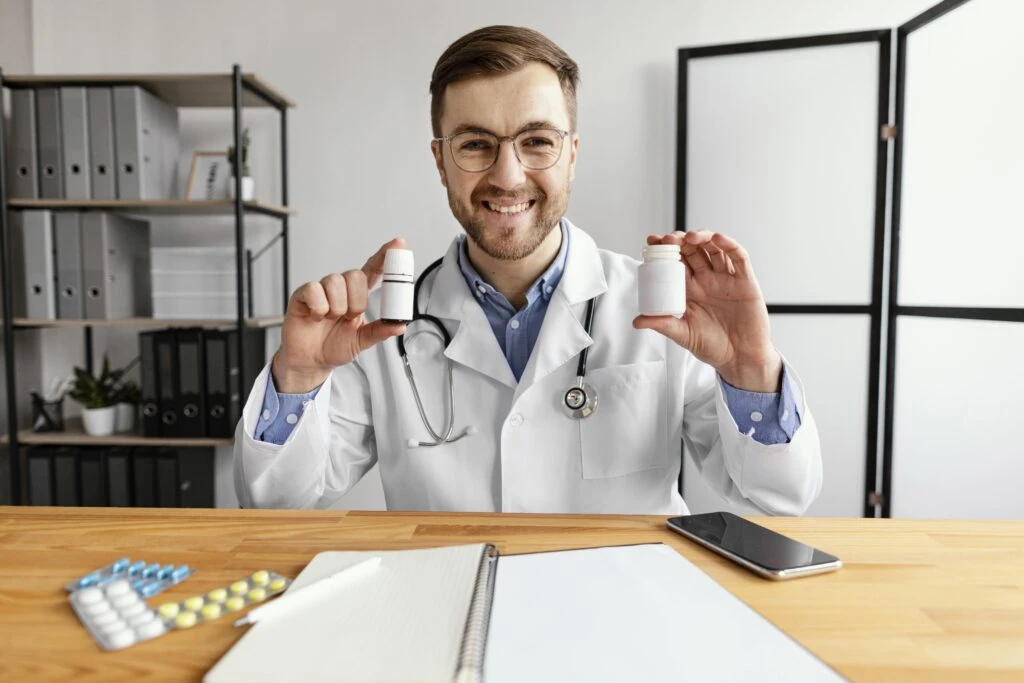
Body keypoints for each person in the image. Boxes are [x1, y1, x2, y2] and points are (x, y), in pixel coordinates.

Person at [234, 25, 822, 515]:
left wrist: (749, 368)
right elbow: (276, 503)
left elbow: (780, 494)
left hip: (619, 622)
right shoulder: (380, 326)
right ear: (440, 160)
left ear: (571, 154)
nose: (508, 176)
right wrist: (300, 376)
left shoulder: (669, 311)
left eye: (537, 141)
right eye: (475, 144)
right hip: (448, 617)